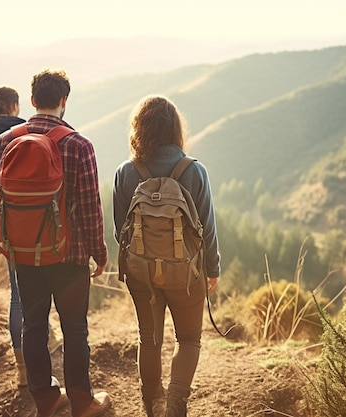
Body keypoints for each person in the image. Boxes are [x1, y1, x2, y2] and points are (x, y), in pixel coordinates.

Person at [0, 69, 111, 417]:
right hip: (68, 256)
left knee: (33, 325)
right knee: (74, 329)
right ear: (64, 101)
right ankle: (83, 402)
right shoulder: (79, 145)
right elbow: (89, 208)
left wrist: (15, 238)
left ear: (31, 101)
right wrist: (98, 254)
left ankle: (45, 399)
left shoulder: (5, 141)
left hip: (23, 255)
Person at [112, 95, 221, 417]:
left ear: (139, 129)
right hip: (187, 274)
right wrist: (212, 268)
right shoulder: (194, 171)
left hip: (141, 271)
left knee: (150, 338)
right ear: (175, 129)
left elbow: (121, 231)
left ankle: (152, 404)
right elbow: (208, 229)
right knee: (188, 339)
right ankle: (176, 406)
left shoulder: (125, 172)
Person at [0, 86, 62, 388]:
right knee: (45, 292)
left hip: (12, 232)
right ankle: (48, 342)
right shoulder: (40, 134)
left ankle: (23, 369)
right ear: (16, 105)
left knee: (18, 296)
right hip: (49, 230)